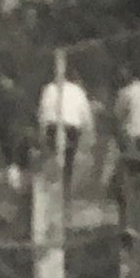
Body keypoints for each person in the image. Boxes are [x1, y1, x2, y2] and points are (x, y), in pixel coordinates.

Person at [36, 70, 94, 198]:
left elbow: (42, 112)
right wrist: (89, 131)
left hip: (52, 125)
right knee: (69, 159)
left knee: (51, 156)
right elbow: (86, 115)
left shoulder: (49, 88)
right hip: (71, 127)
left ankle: (50, 188)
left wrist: (41, 131)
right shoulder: (79, 91)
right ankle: (65, 190)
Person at [109, 69, 140, 221]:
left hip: (133, 135)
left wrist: (118, 135)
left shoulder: (126, 93)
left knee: (129, 172)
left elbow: (117, 115)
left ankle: (130, 208)